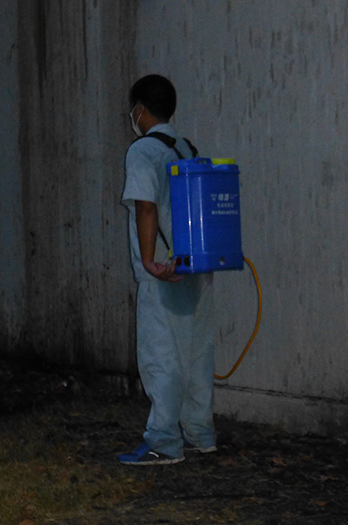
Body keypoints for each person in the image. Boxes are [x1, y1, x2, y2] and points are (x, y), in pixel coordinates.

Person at [118, 74, 217, 465]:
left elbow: (146, 205)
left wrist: (149, 261)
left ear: (140, 109)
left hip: (162, 270)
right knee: (196, 354)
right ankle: (200, 433)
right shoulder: (186, 148)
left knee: (162, 356)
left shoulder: (143, 150)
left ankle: (163, 441)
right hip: (194, 267)